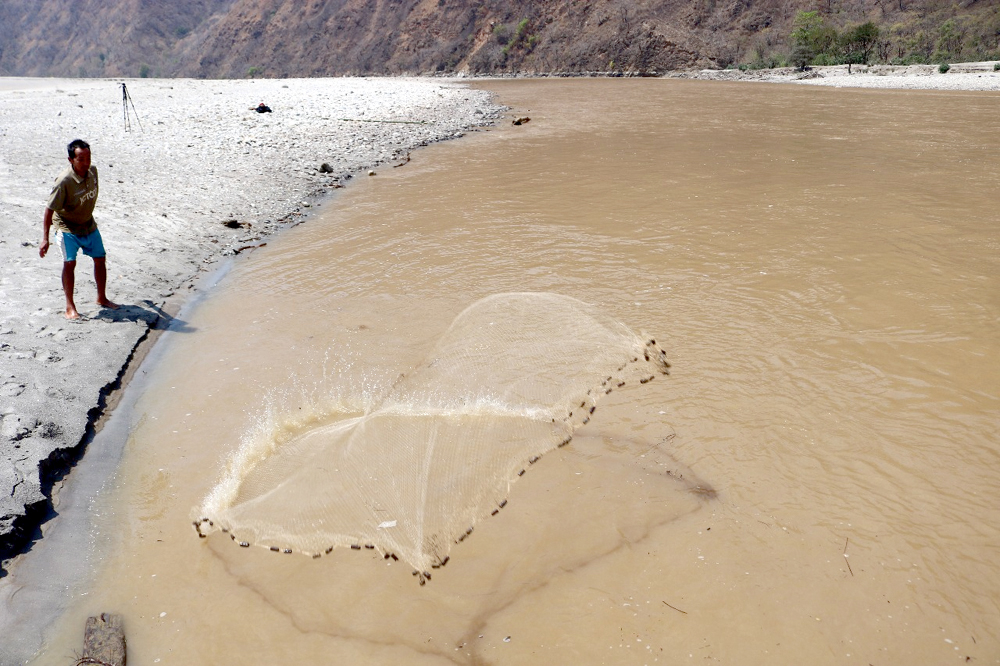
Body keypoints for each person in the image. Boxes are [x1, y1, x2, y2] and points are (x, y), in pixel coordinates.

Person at [39, 139, 118, 319]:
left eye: (88, 157)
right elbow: (49, 209)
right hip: (66, 227)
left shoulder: (93, 172)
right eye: (81, 159)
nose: (86, 162)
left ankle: (102, 298)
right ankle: (70, 306)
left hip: (88, 224)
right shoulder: (64, 181)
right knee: (70, 263)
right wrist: (45, 238)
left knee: (100, 258)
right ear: (71, 160)